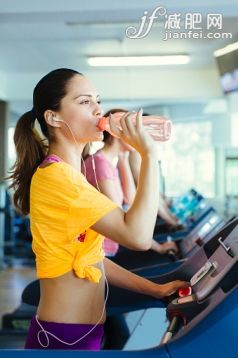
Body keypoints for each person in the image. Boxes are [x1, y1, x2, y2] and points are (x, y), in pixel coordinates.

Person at [8, 68, 188, 350]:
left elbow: (92, 259)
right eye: (84, 102)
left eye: (98, 100)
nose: (97, 110)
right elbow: (138, 237)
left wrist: (155, 289)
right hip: (63, 338)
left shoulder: (71, 174)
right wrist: (149, 155)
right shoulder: (58, 178)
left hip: (81, 334)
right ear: (53, 117)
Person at [84, 108, 179, 259]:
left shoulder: (109, 162)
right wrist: (159, 248)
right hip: (101, 253)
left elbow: (130, 199)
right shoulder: (99, 165)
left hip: (110, 248)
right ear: (116, 132)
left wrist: (124, 157)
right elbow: (121, 219)